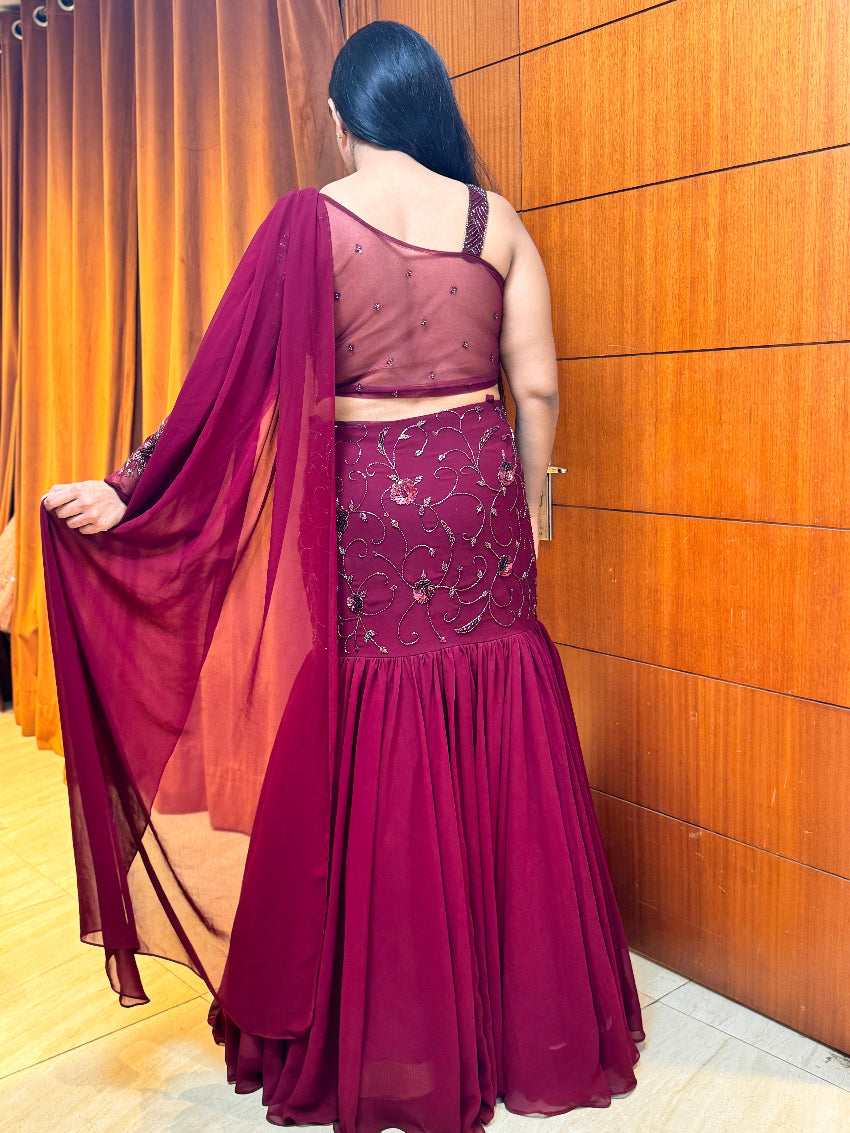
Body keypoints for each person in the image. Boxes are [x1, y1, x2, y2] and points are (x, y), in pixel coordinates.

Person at [41, 20, 644, 1133]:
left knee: (374, 715)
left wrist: (131, 487)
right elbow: (540, 390)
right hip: (477, 487)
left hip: (368, 490)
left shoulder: (305, 223)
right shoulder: (495, 223)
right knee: (494, 694)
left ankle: (389, 1002)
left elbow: (222, 385)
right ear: (426, 106)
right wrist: (532, 508)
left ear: (339, 116)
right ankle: (515, 1010)